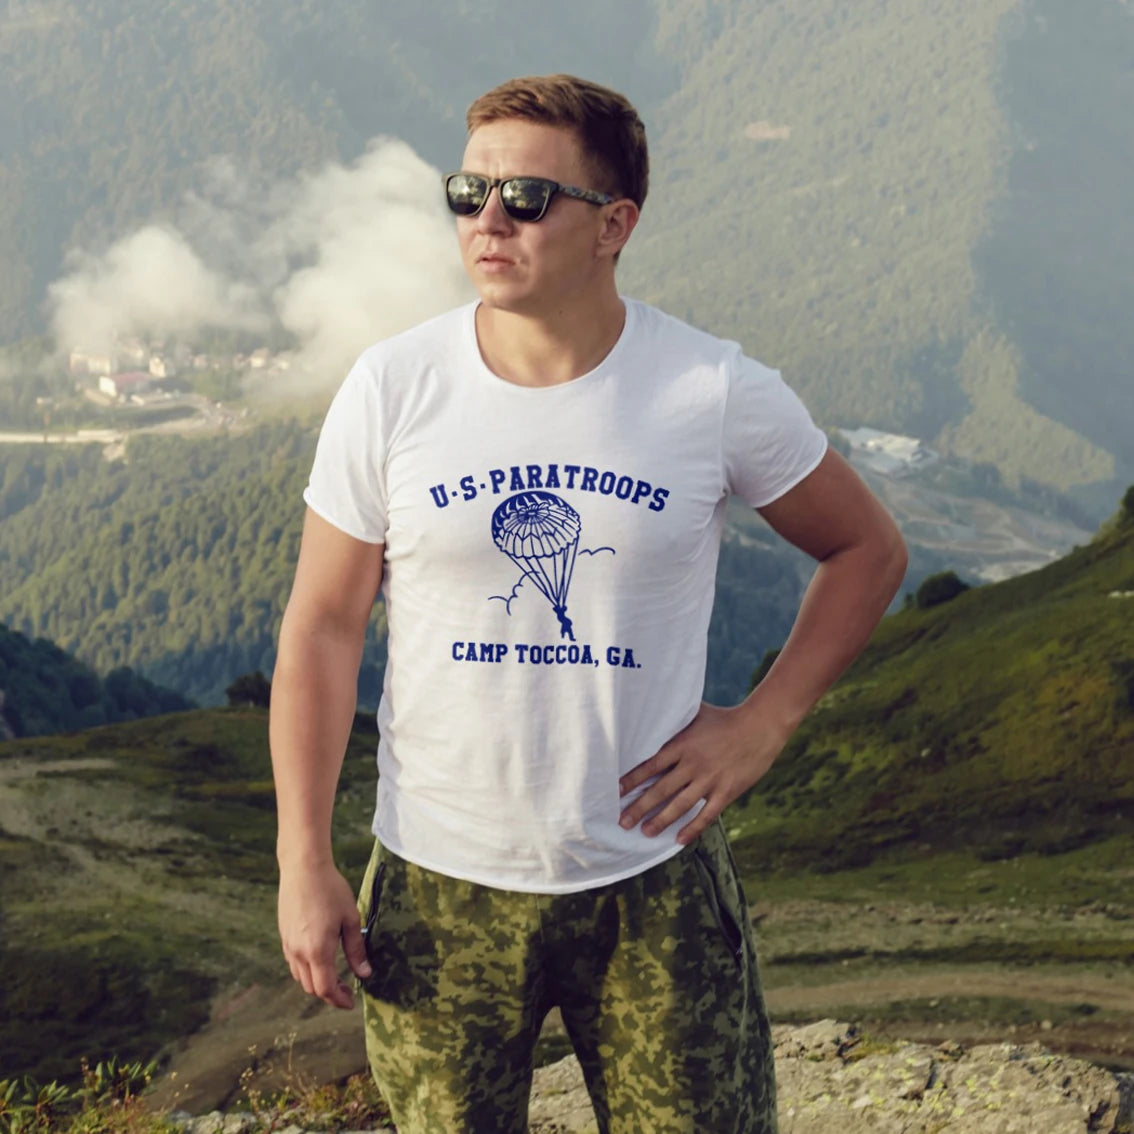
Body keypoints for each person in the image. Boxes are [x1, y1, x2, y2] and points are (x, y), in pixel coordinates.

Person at [270, 73, 907, 1134]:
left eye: (525, 199)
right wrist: (303, 857)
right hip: (434, 886)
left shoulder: (711, 391)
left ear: (616, 225)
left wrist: (763, 723)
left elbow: (866, 549)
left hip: (654, 882)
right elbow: (324, 627)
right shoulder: (394, 387)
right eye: (466, 193)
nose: (487, 222)